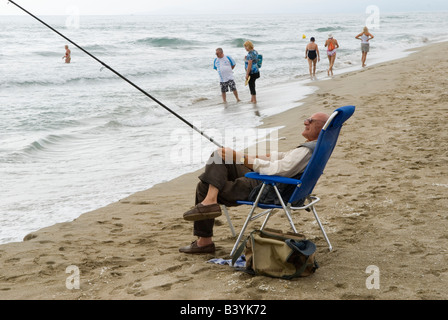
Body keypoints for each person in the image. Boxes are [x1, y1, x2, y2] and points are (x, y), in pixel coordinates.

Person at [179, 112, 330, 254]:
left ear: (322, 127)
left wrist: (243, 160)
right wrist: (243, 157)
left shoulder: (307, 151)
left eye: (310, 121)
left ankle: (205, 235)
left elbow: (277, 169)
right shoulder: (317, 147)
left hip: (265, 186)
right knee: (220, 155)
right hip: (271, 182)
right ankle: (209, 202)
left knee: (205, 185)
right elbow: (280, 157)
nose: (306, 122)